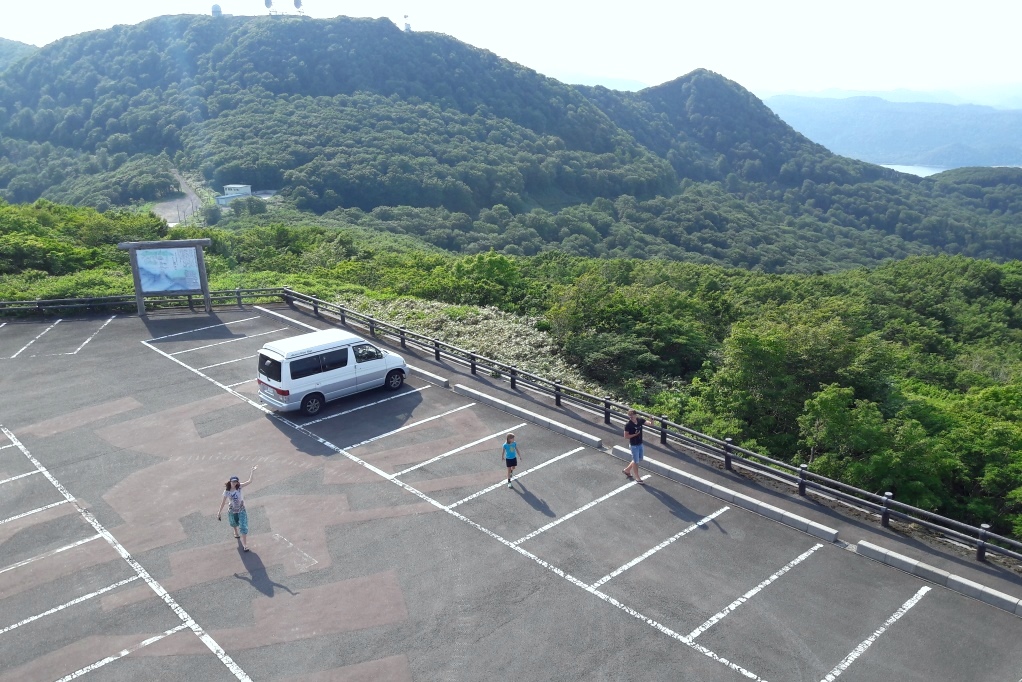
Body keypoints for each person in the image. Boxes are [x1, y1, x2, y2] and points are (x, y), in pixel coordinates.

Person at [217, 466, 257, 551]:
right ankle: (235, 531)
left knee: (243, 526)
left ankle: (245, 545)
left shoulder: (239, 487)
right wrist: (219, 512)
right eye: (233, 482)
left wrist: (252, 472)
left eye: (236, 481)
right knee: (233, 523)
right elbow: (223, 502)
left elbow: (249, 481)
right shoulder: (227, 491)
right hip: (232, 510)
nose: (235, 483)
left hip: (241, 510)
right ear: (230, 482)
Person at [623, 410, 646, 484]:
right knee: (636, 461)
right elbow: (626, 436)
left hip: (640, 443)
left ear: (635, 415)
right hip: (634, 445)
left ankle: (627, 470)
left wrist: (652, 419)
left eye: (632, 416)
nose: (631, 417)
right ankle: (637, 477)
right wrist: (635, 435)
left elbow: (651, 424)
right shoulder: (628, 425)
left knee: (639, 459)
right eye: (629, 416)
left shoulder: (640, 420)